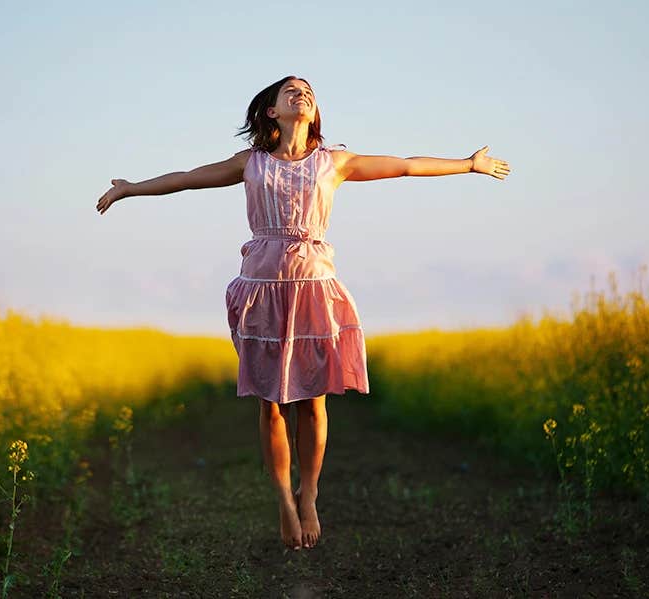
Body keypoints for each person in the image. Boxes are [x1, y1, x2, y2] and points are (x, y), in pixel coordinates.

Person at [95, 75, 510, 550]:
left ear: (314, 113)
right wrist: (130, 188)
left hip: (314, 289)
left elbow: (408, 166)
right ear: (271, 111)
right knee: (271, 405)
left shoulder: (334, 163)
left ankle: (308, 492)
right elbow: (187, 179)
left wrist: (469, 165)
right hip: (262, 292)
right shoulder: (250, 164)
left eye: (309, 92)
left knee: (313, 400)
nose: (303, 95)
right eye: (291, 90)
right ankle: (283, 500)